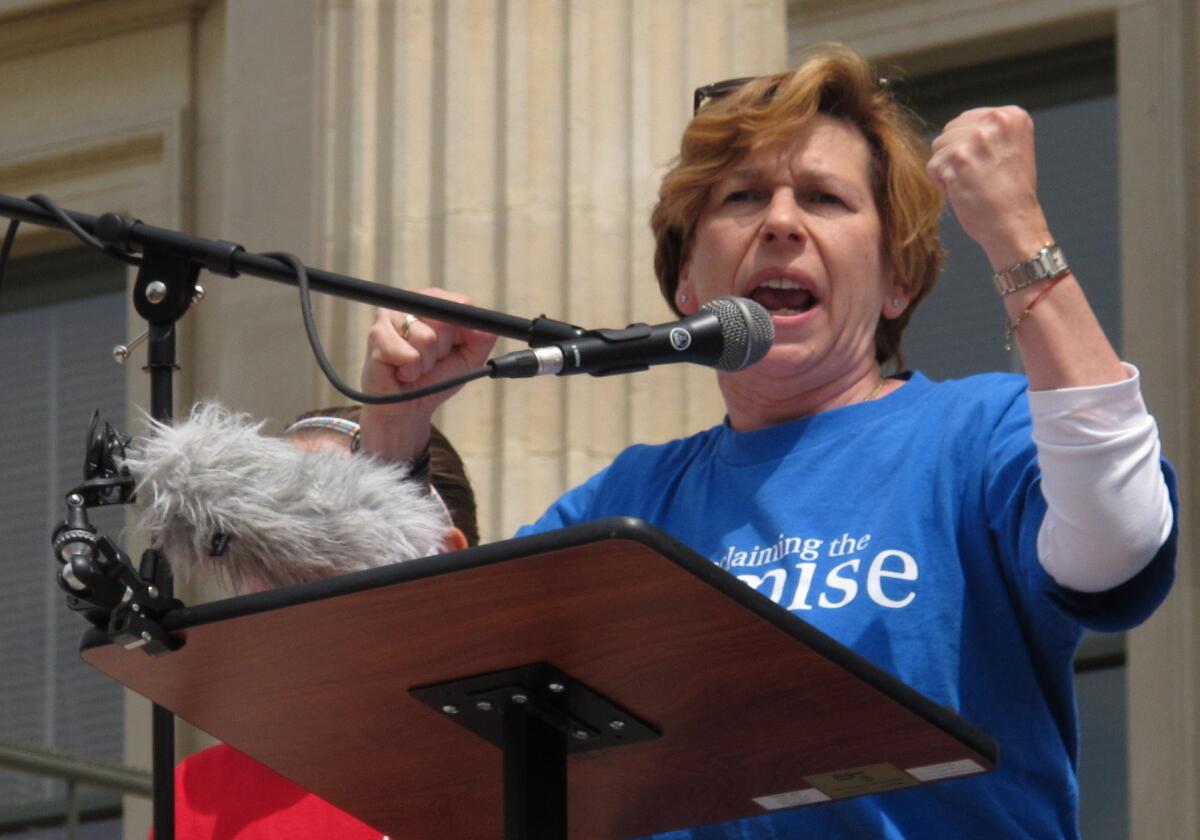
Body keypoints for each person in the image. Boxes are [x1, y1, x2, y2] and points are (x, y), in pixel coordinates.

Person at [357, 44, 1177, 839]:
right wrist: (396, 423)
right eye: (744, 198)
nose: (781, 222)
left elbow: (1121, 536)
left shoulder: (977, 435)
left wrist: (1016, 232)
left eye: (824, 198)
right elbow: (425, 698)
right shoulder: (627, 504)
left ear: (897, 280)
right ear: (686, 283)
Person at [147, 405, 479, 839]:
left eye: (316, 531)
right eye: (259, 538)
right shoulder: (200, 796)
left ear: (437, 556)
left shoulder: (538, 760)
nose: (269, 575)